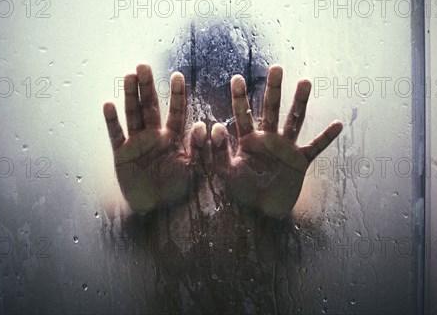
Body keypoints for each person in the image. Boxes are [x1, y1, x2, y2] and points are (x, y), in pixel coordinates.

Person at [102, 20, 343, 314]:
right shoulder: (157, 177)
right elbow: (108, 233)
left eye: (230, 95)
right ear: (184, 100)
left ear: (253, 100)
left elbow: (320, 237)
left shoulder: (278, 176)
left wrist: (274, 217)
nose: (216, 115)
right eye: (205, 93)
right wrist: (145, 211)